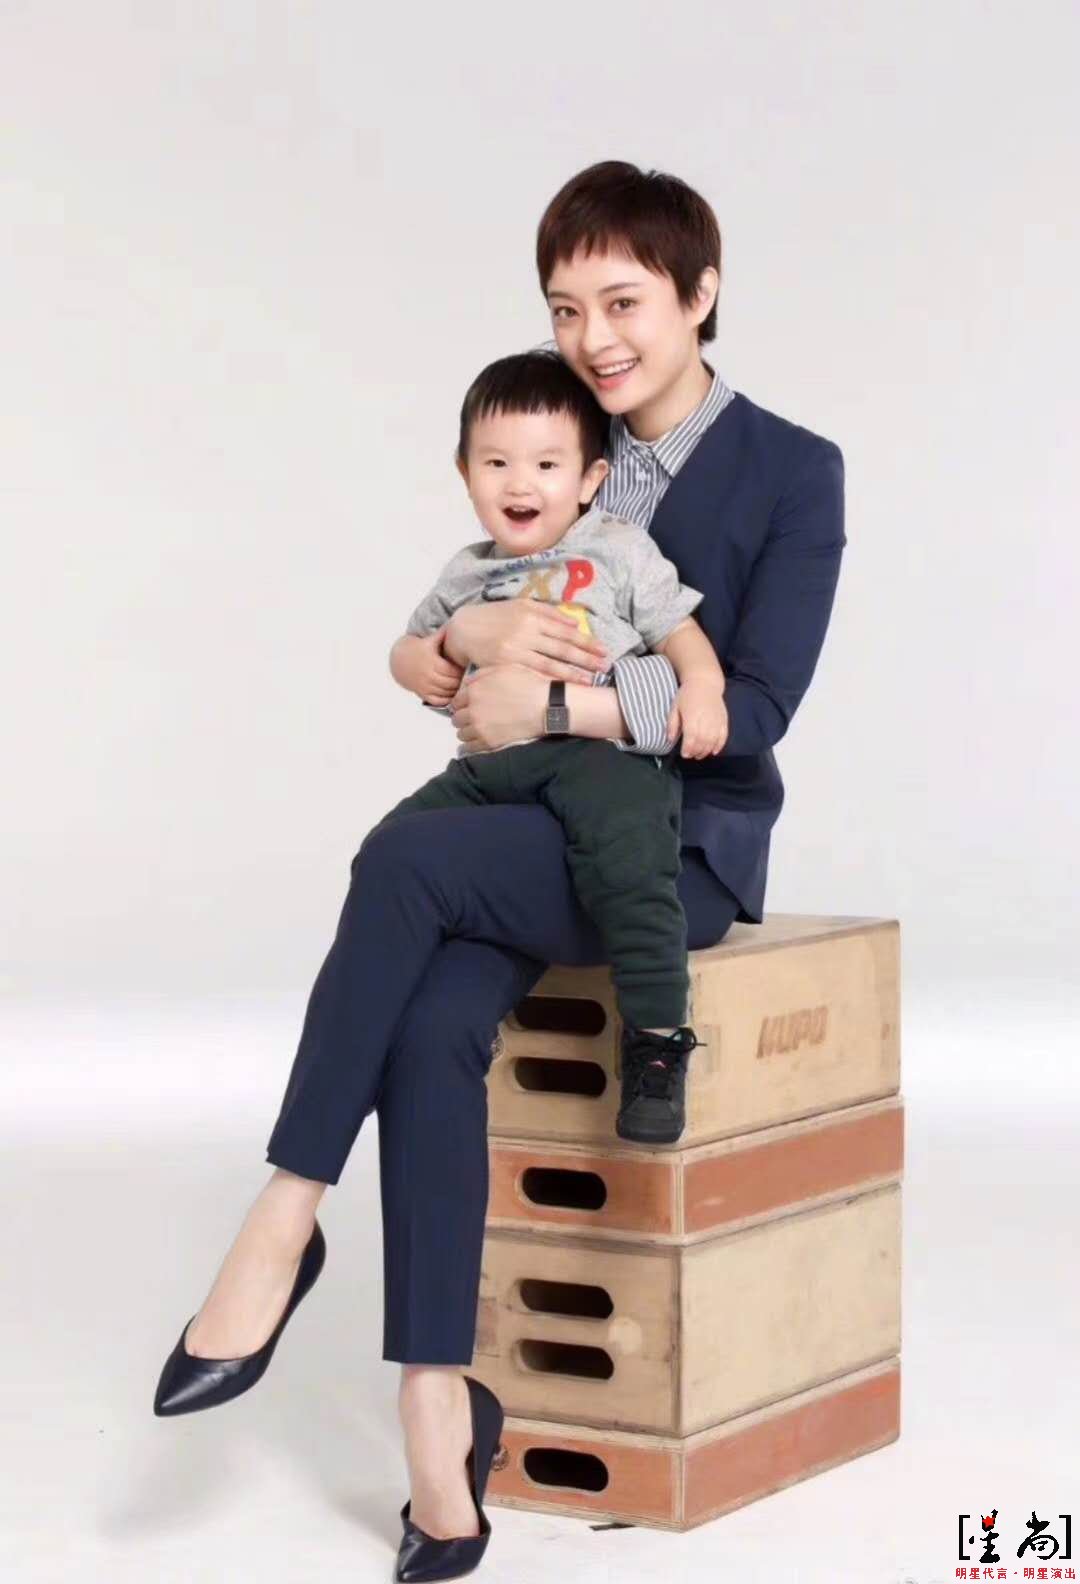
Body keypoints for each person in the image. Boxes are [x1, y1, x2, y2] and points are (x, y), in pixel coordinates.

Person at [151, 159, 846, 1581]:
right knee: (427, 1025)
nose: (594, 337)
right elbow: (458, 624)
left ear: (702, 294)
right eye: (566, 307)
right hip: (526, 826)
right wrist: (456, 646)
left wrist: (561, 705)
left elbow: (751, 710)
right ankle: (437, 1410)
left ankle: (283, 1217)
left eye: (624, 302)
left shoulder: (794, 470)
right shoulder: (549, 436)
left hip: (677, 849)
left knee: (405, 860)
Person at [383, 345, 729, 1145]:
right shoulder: (466, 573)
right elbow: (410, 648)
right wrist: (419, 660)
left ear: (589, 478)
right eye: (497, 463)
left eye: (546, 464)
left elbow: (678, 632)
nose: (521, 483)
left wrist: (704, 689)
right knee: (394, 849)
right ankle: (418, 1007)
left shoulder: (616, 549)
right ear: (465, 472)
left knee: (632, 865)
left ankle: (656, 1038)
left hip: (597, 757)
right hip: (491, 763)